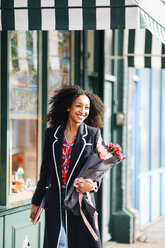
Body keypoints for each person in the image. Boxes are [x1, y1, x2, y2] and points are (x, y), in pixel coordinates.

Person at [30, 85, 104, 248]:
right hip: (54, 198)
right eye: (78, 105)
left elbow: (99, 169)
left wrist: (92, 185)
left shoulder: (93, 134)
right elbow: (46, 170)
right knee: (57, 242)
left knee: (81, 242)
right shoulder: (52, 134)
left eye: (87, 107)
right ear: (68, 106)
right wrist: (36, 202)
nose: (83, 111)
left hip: (80, 200)